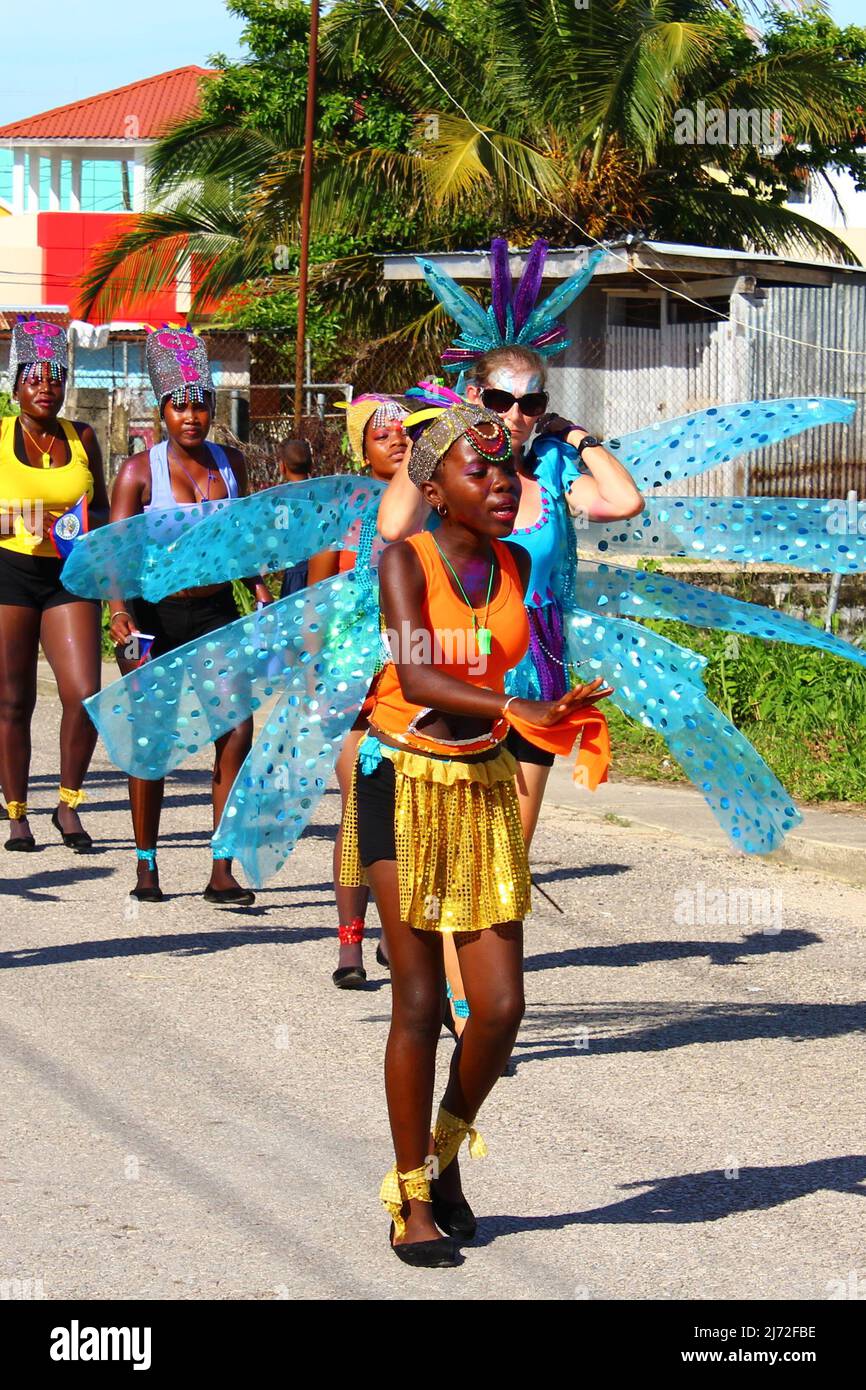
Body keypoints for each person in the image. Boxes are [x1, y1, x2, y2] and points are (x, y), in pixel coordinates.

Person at [340, 397, 612, 1264]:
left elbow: (510, 668)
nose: (502, 484)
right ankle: (410, 1197)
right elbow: (417, 673)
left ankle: (448, 1154)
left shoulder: (512, 566)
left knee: (497, 1009)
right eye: (480, 471)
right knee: (419, 1000)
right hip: (400, 779)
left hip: (483, 780)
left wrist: (557, 710)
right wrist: (513, 701)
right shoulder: (403, 562)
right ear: (438, 488)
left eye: (508, 470)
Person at [378, 241, 643, 1022]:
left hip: (540, 682)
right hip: (462, 677)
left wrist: (582, 436)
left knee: (505, 853)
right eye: (499, 401)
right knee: (462, 847)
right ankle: (451, 997)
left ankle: (476, 1003)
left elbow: (625, 504)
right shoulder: (456, 475)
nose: (516, 418)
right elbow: (394, 528)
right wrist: (437, 442)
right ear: (474, 397)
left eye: (531, 403)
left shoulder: (558, 471)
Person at [107, 327, 271, 904]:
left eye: (201, 403)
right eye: (180, 405)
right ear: (163, 411)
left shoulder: (233, 464)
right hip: (150, 614)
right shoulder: (137, 472)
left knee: (237, 727)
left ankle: (221, 865)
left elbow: (245, 537)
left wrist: (258, 586)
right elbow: (115, 553)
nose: (192, 416)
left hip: (217, 610)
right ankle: (147, 862)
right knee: (151, 735)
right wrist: (119, 613)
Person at [0, 317, 108, 852]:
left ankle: (68, 803)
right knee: (14, 699)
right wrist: (23, 516)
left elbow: (105, 511)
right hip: (11, 574)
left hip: (71, 575)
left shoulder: (83, 436)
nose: (45, 388)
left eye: (55, 378)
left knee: (84, 694)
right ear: (15, 384)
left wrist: (85, 534)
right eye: (34, 378)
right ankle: (17, 811)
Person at [322, 395, 410, 989]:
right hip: (355, 674)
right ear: (362, 446)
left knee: (409, 811)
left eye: (405, 433)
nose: (398, 442)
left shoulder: (431, 504)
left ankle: (394, 935)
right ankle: (350, 943)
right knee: (360, 808)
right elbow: (316, 599)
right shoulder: (343, 509)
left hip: (416, 670)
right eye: (383, 436)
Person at [277, 440, 314, 598]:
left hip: (295, 570)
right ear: (312, 465)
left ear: (282, 466)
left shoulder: (282, 501)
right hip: (326, 571)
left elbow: (281, 536)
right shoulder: (326, 494)